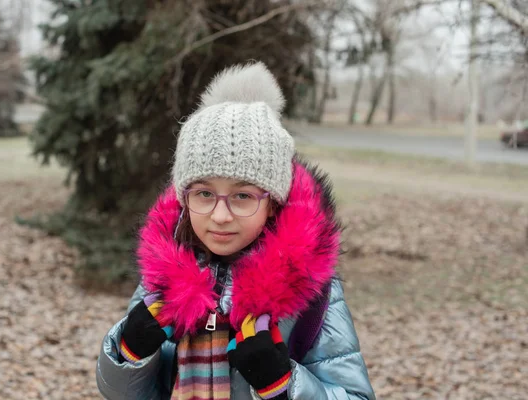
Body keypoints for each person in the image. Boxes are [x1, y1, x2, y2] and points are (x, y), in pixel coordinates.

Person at [96, 62, 375, 400]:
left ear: (274, 201)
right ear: (183, 198)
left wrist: (283, 385)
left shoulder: (312, 294)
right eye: (203, 193)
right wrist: (130, 353)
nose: (221, 215)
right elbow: (126, 394)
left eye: (243, 196)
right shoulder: (161, 283)